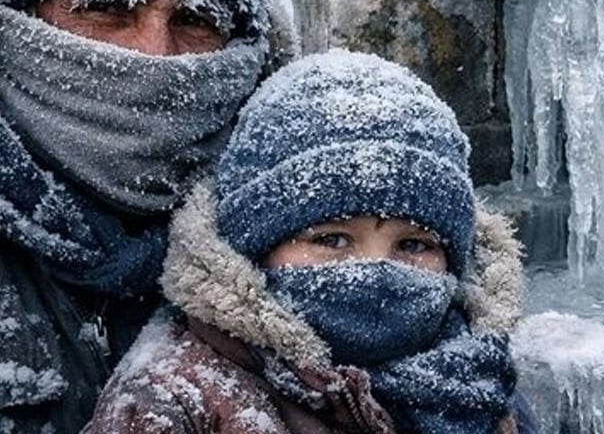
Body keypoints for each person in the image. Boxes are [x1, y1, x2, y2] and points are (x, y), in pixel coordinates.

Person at [0, 0, 292, 432]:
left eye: (196, 19)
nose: (157, 54)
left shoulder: (304, 224)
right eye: (109, 8)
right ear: (19, 15)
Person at [86, 50, 532, 434]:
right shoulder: (172, 402)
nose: (376, 269)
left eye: (414, 245)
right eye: (332, 239)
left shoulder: (478, 382)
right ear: (254, 246)